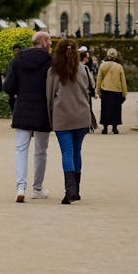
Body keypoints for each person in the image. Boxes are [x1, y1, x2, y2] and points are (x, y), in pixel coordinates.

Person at [4, 31, 53, 202]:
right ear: (44, 42)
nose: (52, 44)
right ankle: (37, 188)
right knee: (41, 151)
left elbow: (9, 86)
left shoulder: (19, 59)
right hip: (43, 109)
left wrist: (19, 92)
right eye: (50, 41)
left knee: (20, 150)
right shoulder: (50, 62)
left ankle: (20, 187)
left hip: (23, 107)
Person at [47, 37, 94, 204]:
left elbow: (50, 96)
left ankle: (70, 191)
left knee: (67, 152)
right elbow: (90, 89)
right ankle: (77, 190)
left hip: (62, 116)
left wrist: (50, 115)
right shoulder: (83, 69)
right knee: (77, 151)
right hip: (82, 115)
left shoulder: (53, 71)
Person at [96, 48, 128, 134]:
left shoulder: (102, 66)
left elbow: (99, 79)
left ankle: (105, 127)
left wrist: (98, 91)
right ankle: (115, 127)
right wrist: (124, 93)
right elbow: (123, 81)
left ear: (107, 55)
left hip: (105, 90)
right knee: (116, 110)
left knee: (105, 109)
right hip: (116, 91)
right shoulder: (119, 67)